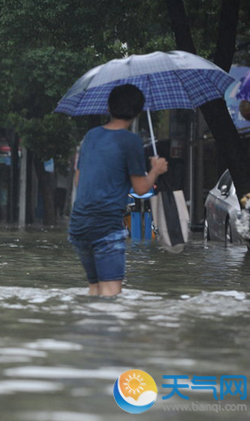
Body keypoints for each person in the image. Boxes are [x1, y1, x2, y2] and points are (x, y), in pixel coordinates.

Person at [69, 84, 168, 297]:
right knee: (111, 294)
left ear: (109, 107)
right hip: (106, 224)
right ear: (137, 111)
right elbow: (141, 188)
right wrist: (155, 170)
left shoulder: (91, 136)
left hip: (79, 225)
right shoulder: (130, 141)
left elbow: (79, 180)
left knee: (95, 289)